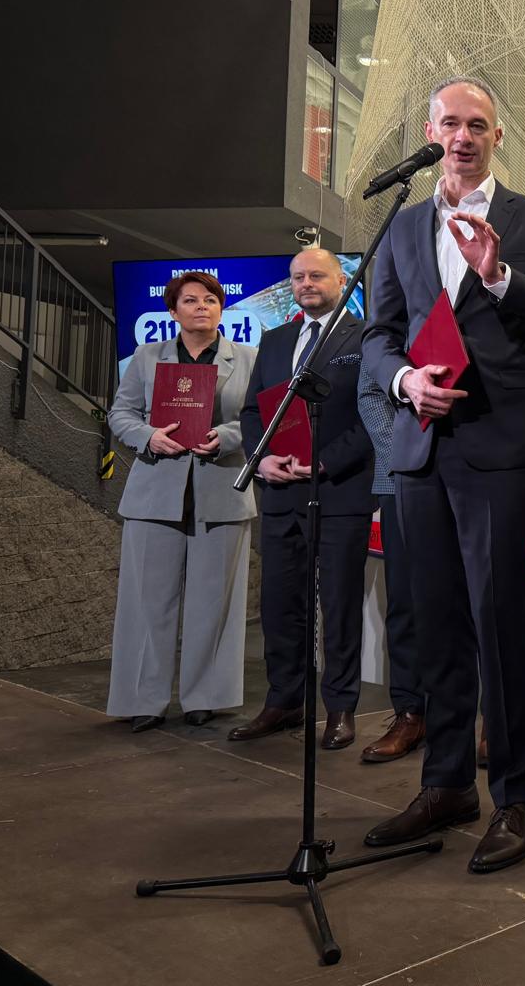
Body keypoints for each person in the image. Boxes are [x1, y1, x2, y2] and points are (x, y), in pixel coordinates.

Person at [360, 76, 525, 874]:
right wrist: (403, 381)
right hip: (422, 446)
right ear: (431, 132)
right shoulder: (402, 226)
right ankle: (448, 783)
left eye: (477, 124)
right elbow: (380, 334)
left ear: (497, 136)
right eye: (450, 123)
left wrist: (499, 278)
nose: (462, 136)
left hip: (497, 449)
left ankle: (516, 800)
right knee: (435, 623)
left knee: (498, 624)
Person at [232, 249, 375, 750]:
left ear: (341, 281)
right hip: (279, 492)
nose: (306, 283)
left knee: (338, 607)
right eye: (297, 277)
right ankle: (285, 701)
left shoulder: (369, 336)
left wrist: (325, 463)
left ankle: (340, 708)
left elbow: (373, 414)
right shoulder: (274, 340)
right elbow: (253, 412)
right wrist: (261, 459)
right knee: (279, 605)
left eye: (316, 275)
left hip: (339, 491)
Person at [105, 272, 258, 732]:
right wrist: (149, 436)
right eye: (190, 300)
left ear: (221, 309)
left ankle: (205, 697)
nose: (201, 307)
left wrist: (226, 436)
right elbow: (120, 414)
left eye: (210, 299)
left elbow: (260, 417)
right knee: (146, 604)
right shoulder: (146, 357)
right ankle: (142, 700)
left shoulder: (249, 358)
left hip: (222, 490)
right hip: (155, 493)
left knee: (215, 604)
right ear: (173, 311)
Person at [356, 360, 427, 761]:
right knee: (404, 603)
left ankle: (492, 718)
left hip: (469, 471)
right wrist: (405, 450)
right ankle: (410, 712)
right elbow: (369, 393)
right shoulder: (387, 325)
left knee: (479, 600)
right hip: (399, 476)